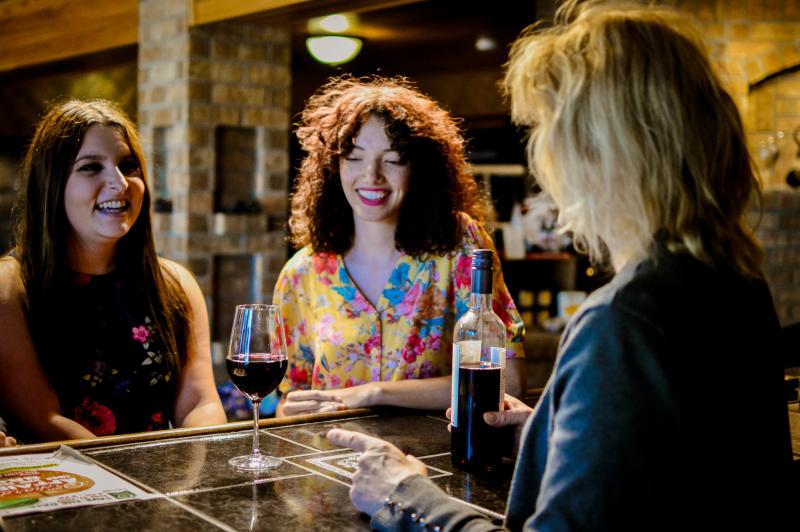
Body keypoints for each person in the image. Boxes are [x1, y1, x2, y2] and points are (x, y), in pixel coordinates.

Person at [326, 1, 794, 529]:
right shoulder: (735, 283)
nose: (545, 166)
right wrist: (545, 430)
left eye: (548, 132)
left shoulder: (621, 324)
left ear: (600, 154)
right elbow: (679, 469)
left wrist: (405, 495)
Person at [274, 76, 526, 416]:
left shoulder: (460, 244)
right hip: (331, 462)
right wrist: (289, 412)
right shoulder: (300, 274)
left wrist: (375, 393)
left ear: (420, 168)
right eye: (354, 157)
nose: (372, 175)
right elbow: (290, 404)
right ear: (333, 167)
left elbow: (507, 381)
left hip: (429, 464)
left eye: (393, 159)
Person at [0, 99, 226, 443]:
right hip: (65, 489)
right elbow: (46, 420)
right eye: (92, 167)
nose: (119, 183)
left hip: (159, 484)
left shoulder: (175, 283)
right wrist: (132, 485)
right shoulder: (9, 288)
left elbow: (200, 403)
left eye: (128, 166)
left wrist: (197, 469)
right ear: (52, 183)